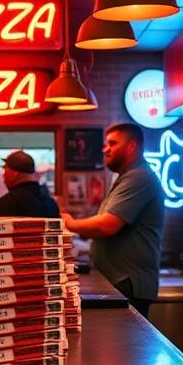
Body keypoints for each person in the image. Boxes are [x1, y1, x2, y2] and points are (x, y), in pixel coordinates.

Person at [61, 123, 165, 317]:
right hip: (121, 281)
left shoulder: (139, 177)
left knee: (127, 346)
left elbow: (107, 225)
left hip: (128, 282)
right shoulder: (128, 176)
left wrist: (69, 223)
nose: (105, 149)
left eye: (112, 143)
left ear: (131, 146)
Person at [0, 150, 60, 218]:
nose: (3, 175)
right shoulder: (50, 203)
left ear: (13, 173)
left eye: (5, 169)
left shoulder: (9, 202)